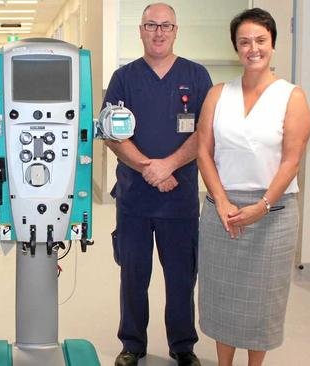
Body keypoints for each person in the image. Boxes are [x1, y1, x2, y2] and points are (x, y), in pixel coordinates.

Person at [196, 8, 310, 366]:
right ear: (235, 48)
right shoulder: (218, 95)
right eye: (244, 42)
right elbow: (203, 150)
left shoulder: (292, 97)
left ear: (273, 44)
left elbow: (291, 161)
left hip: (272, 215)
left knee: (261, 302)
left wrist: (261, 206)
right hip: (223, 211)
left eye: (260, 40)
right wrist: (221, 202)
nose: (253, 48)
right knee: (223, 297)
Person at [103, 3, 212, 366]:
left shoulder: (196, 77)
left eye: (166, 25)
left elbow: (204, 133)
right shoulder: (124, 78)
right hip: (134, 198)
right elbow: (111, 132)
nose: (159, 32)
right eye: (152, 25)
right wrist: (149, 167)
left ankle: (183, 346)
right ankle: (132, 343)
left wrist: (169, 166)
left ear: (176, 30)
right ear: (141, 30)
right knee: (133, 276)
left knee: (181, 278)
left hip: (179, 200)